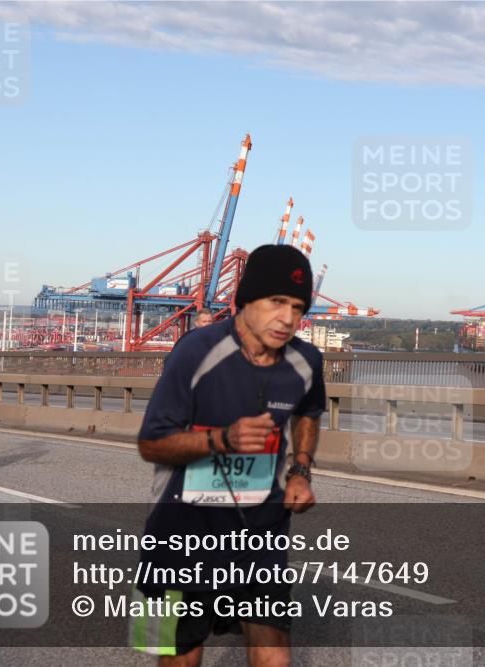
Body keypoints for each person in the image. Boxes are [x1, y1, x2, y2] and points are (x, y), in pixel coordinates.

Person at [133, 244, 324, 667]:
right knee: (178, 656)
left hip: (262, 535)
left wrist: (301, 470)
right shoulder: (195, 351)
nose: (289, 318)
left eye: (297, 306)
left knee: (275, 656)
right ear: (245, 300)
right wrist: (222, 440)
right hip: (181, 533)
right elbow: (151, 443)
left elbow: (309, 411)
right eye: (277, 302)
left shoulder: (307, 360)